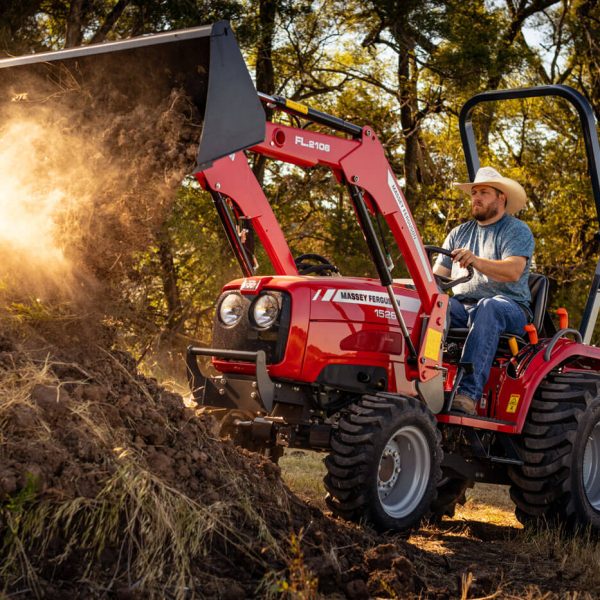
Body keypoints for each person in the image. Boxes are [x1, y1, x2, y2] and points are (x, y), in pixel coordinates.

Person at [433, 166, 534, 415]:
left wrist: (476, 261)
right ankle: (424, 381)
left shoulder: (516, 230)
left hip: (510, 309)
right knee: (434, 304)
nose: (476, 197)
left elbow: (513, 271)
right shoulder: (459, 233)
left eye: (484, 192)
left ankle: (467, 395)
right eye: (474, 192)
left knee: (489, 307)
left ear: (502, 197)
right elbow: (436, 277)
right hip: (464, 306)